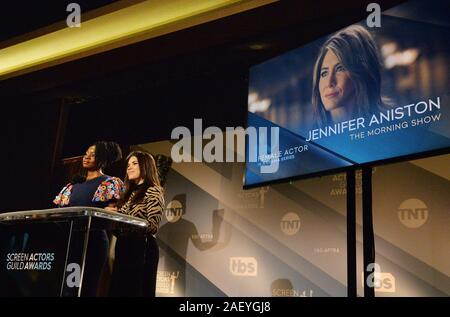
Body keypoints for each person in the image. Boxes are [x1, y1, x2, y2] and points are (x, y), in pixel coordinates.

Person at [53, 141, 124, 296]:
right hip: (72, 242)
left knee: (87, 287)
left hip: (94, 242)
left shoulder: (110, 182)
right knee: (69, 288)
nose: (87, 157)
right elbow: (58, 214)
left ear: (102, 159)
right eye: (86, 153)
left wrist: (111, 211)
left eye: (93, 154)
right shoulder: (73, 185)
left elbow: (113, 212)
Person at [106, 151, 165, 297]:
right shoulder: (129, 194)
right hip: (124, 248)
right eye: (128, 165)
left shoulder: (153, 190)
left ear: (145, 166)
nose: (129, 168)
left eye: (134, 163)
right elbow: (119, 228)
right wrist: (112, 217)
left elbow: (152, 225)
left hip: (142, 250)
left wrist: (122, 218)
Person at [311, 24, 387, 128]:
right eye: (324, 73)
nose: (329, 83)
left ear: (362, 73)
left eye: (340, 69)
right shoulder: (307, 140)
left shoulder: (388, 127)